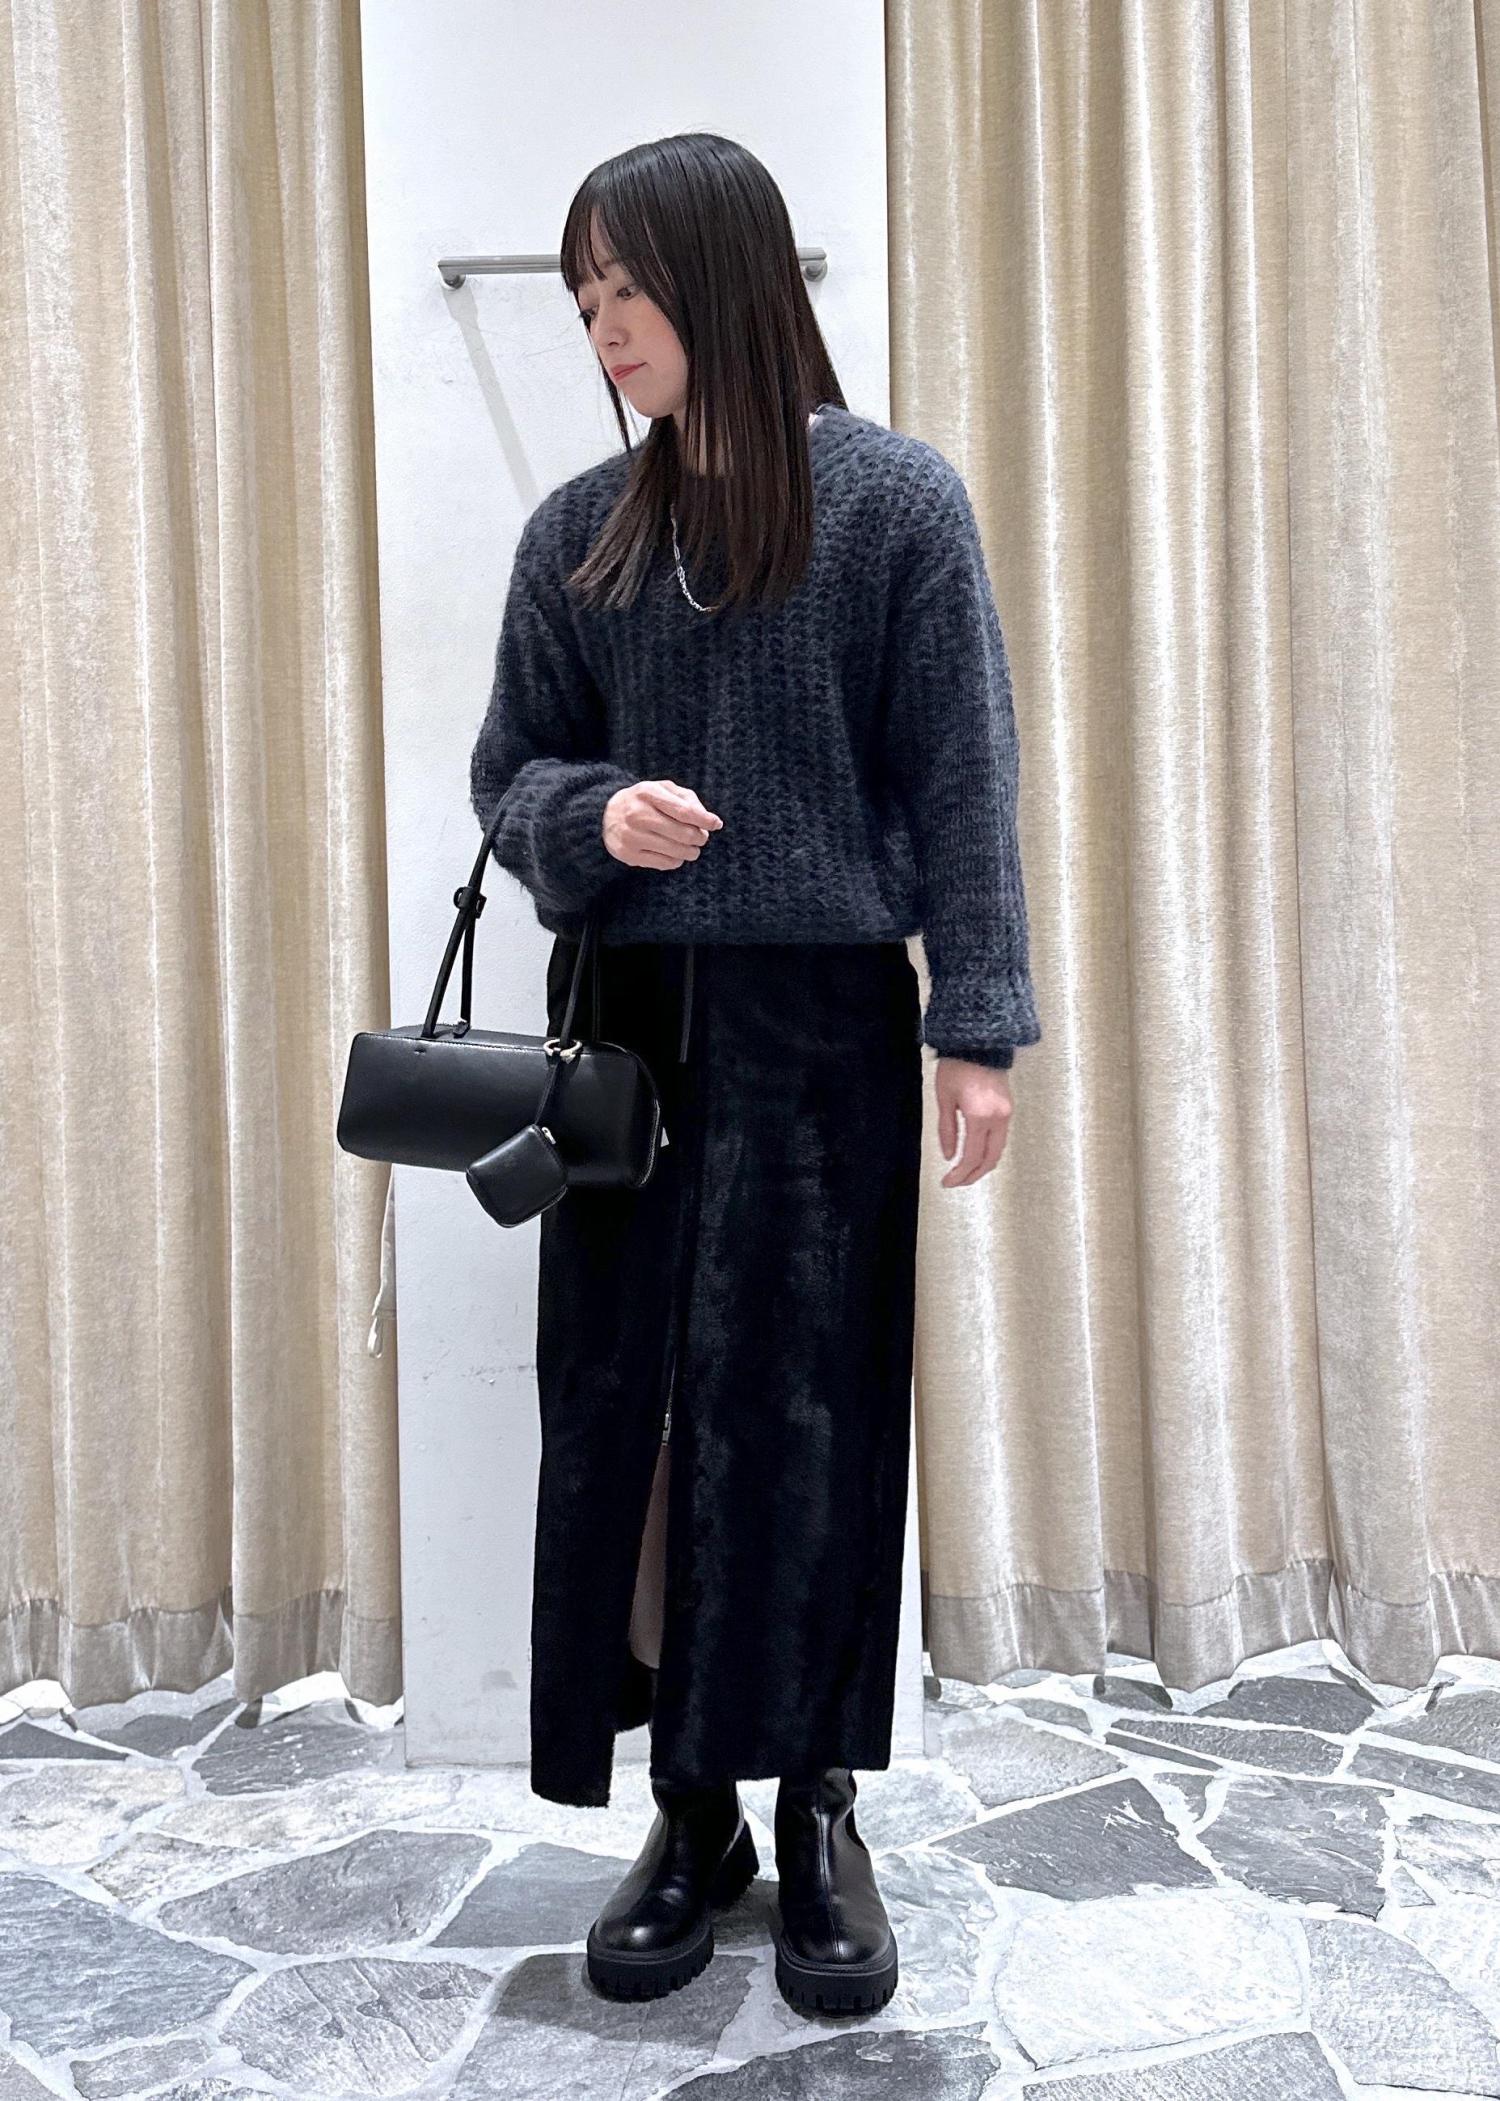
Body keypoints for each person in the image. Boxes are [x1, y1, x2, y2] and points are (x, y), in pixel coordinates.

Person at [468, 132, 1040, 2020]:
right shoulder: (579, 534)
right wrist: (591, 817)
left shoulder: (895, 506)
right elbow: (507, 774)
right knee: (629, 1424)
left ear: (724, 276)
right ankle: (689, 1812)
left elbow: (963, 774)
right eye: (584, 300)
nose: (603, 328)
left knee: (810, 1414)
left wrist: (976, 1024)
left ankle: (816, 1807)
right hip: (625, 1045)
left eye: (626, 289)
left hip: (822, 1040)